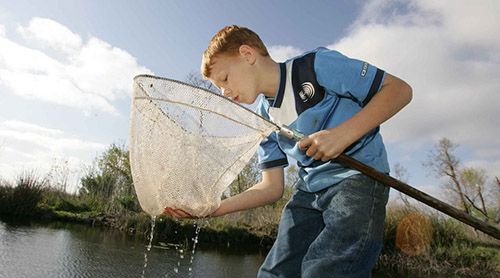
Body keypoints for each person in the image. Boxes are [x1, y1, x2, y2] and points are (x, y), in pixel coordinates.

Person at [164, 25, 412, 277]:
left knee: (326, 269)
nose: (224, 92)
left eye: (225, 79)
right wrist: (214, 209)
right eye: (218, 88)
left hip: (358, 182)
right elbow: (271, 187)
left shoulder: (315, 66)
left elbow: (399, 90)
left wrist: (341, 135)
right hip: (309, 192)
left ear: (247, 54)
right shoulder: (263, 120)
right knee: (275, 273)